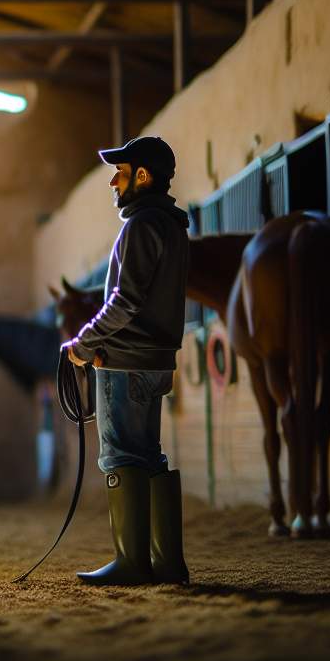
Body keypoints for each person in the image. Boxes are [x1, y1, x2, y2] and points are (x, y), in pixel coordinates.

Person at [64, 135, 190, 586]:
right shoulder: (173, 227)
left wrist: (82, 342)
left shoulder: (140, 227)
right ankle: (167, 562)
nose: (114, 182)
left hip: (126, 362)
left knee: (120, 455)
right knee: (149, 455)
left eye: (121, 172)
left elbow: (125, 301)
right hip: (156, 361)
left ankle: (132, 562)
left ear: (142, 175)